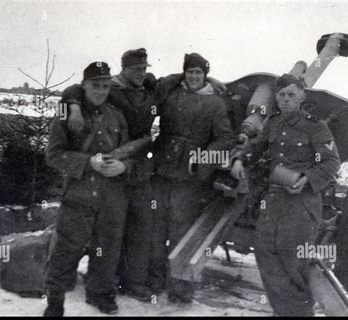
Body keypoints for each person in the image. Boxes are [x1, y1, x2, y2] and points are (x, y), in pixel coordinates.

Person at [60, 49, 227, 302]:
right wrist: (72, 107)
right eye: (135, 69)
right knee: (118, 227)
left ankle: (145, 282)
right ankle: (103, 280)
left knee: (146, 225)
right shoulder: (114, 89)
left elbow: (224, 134)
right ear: (123, 69)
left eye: (143, 68)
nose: (141, 73)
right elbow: (78, 88)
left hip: (144, 164)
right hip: (115, 159)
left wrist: (208, 81)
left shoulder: (156, 89)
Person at [230, 74, 340, 316]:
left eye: (292, 94)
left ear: (302, 96)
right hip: (274, 200)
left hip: (301, 203)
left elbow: (331, 162)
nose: (286, 99)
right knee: (265, 252)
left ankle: (299, 313)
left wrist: (306, 178)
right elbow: (256, 145)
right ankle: (285, 310)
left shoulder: (315, 126)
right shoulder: (273, 123)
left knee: (293, 261)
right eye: (281, 95)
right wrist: (239, 158)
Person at [44, 62, 134, 316]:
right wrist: (87, 162)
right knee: (66, 250)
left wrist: (123, 167)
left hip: (111, 196)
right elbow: (53, 155)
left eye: (106, 86)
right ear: (84, 86)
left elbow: (129, 152)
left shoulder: (116, 115)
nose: (101, 91)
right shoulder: (67, 114)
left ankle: (100, 294)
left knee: (106, 249)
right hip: (79, 194)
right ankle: (55, 300)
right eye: (95, 85)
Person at [151, 53, 235, 303]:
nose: (194, 77)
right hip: (161, 168)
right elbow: (157, 87)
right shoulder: (172, 95)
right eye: (189, 72)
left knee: (180, 229)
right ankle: (153, 282)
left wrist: (202, 157)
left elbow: (225, 138)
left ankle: (179, 288)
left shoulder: (215, 103)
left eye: (199, 72)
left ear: (205, 75)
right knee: (155, 227)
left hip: (189, 176)